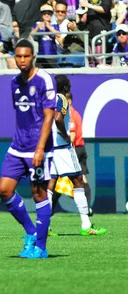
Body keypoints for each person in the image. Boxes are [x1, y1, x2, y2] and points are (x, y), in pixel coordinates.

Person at [0, 39, 55, 259]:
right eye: (18, 56)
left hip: (38, 149)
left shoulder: (44, 80)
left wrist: (40, 148)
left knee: (38, 194)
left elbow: (49, 116)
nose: (22, 60)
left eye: (26, 56)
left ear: (33, 57)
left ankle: (41, 246)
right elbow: (21, 116)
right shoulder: (14, 82)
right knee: (4, 190)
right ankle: (31, 232)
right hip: (17, 147)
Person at [47, 75, 106, 236]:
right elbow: (59, 118)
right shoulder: (62, 99)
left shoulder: (47, 98)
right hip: (63, 148)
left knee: (50, 185)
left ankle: (44, 226)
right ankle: (86, 224)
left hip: (50, 147)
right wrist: (65, 134)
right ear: (66, 87)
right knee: (78, 181)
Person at [66, 91, 92, 214]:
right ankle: (87, 208)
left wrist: (66, 147)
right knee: (82, 179)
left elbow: (72, 133)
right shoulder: (76, 113)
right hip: (80, 148)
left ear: (69, 101)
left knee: (61, 180)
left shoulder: (70, 114)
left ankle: (49, 209)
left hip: (75, 149)